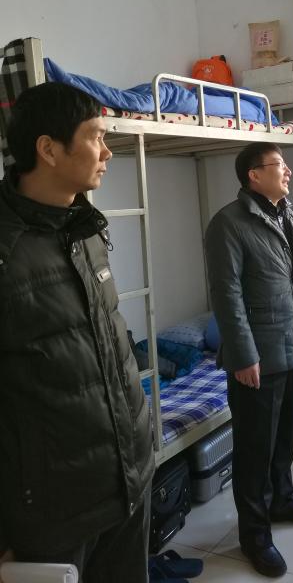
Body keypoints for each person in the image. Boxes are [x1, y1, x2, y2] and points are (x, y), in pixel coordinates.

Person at [0, 83, 154, 582]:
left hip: (129, 478)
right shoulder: (6, 249)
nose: (108, 152)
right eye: (95, 137)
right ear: (48, 149)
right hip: (54, 508)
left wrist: (142, 443)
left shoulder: (85, 228)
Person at [205, 143, 293, 578]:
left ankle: (283, 501)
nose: (288, 171)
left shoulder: (285, 213)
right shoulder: (228, 224)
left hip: (289, 345)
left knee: (284, 438)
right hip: (257, 355)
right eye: (278, 165)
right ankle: (254, 535)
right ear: (253, 175)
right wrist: (243, 355)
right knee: (254, 451)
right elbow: (227, 296)